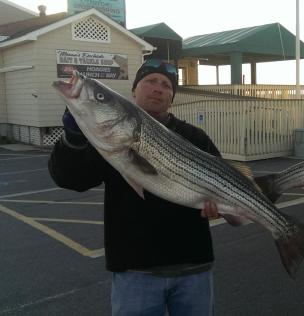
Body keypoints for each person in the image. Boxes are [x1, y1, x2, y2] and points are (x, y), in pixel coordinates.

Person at [48, 58, 220, 316]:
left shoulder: (195, 137)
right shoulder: (106, 140)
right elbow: (70, 179)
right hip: (135, 271)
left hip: (192, 267)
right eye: (150, 81)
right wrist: (73, 138)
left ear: (172, 97)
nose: (158, 88)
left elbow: (225, 184)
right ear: (134, 90)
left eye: (166, 85)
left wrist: (219, 206)